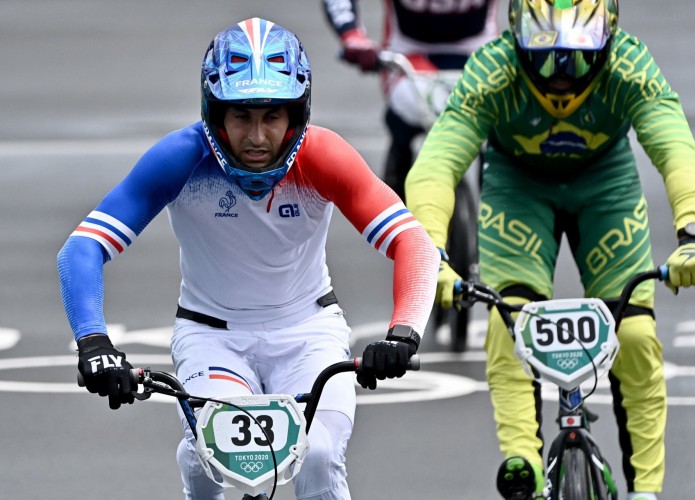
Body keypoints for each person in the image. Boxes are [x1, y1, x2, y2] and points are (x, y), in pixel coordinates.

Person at [58, 17, 438, 500]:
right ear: (214, 115)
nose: (257, 136)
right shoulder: (181, 157)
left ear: (296, 116)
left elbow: (414, 243)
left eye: (272, 116)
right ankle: (198, 463)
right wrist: (94, 345)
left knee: (317, 457)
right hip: (211, 337)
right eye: (241, 116)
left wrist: (403, 334)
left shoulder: (323, 155)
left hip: (308, 332)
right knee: (213, 460)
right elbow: (82, 248)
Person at [404, 1, 695, 499]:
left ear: (607, 43)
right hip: (518, 189)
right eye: (546, 58)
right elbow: (435, 166)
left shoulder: (630, 66)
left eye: (577, 58)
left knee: (634, 336)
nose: (561, 78)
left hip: (605, 189)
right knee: (511, 320)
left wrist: (694, 235)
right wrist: (431, 258)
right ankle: (522, 459)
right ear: (517, 42)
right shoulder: (493, 69)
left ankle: (648, 491)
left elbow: (678, 149)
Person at [322, 0, 501, 200]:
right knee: (403, 114)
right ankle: (393, 208)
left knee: (496, 135)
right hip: (409, 53)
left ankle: (498, 213)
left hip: (478, 51)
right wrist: (352, 36)